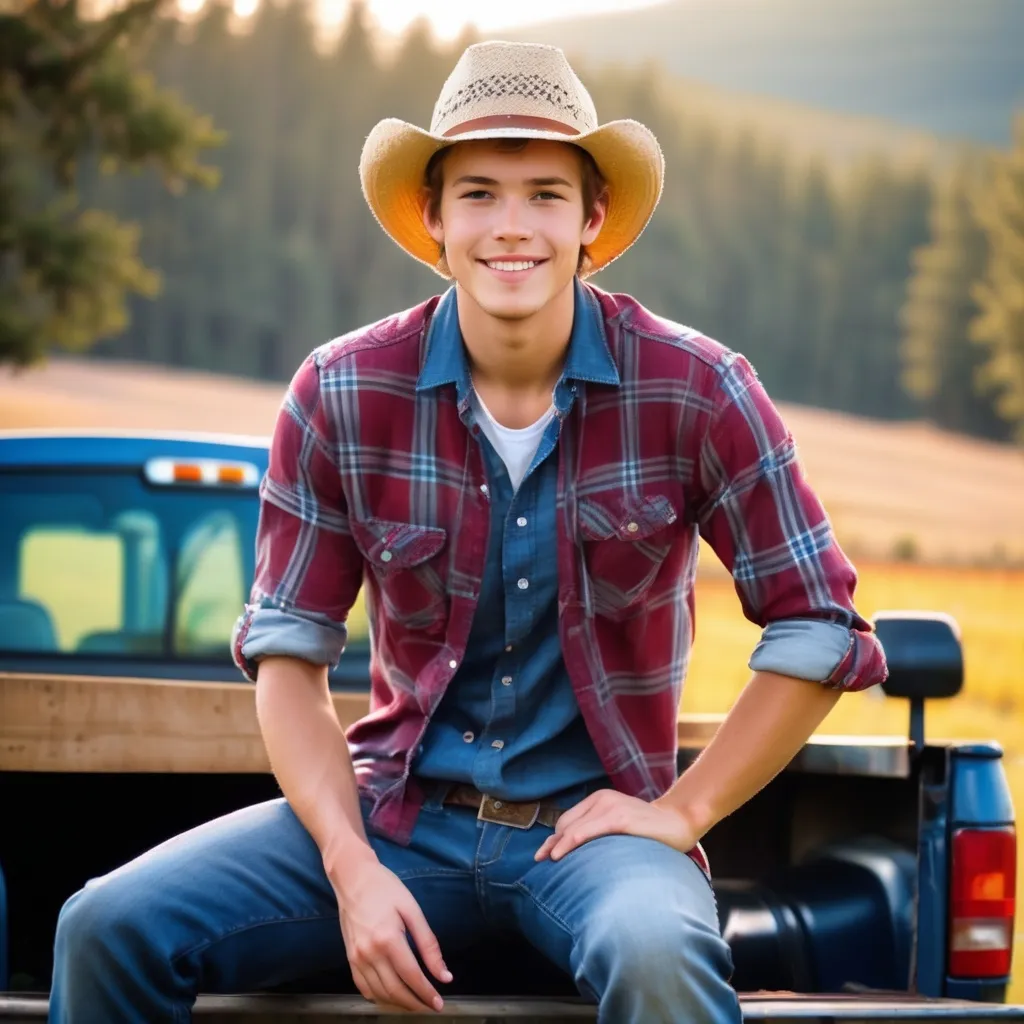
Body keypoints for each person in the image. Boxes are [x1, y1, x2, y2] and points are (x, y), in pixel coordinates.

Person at [49, 40, 887, 1024]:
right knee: (104, 924)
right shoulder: (342, 391)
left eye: (543, 193)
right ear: (433, 219)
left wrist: (681, 812)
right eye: (480, 193)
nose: (511, 227)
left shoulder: (697, 388)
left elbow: (820, 625)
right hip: (395, 817)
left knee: (658, 954)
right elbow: (288, 657)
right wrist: (350, 866)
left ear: (593, 217)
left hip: (598, 840)